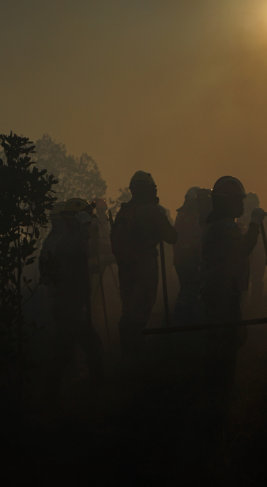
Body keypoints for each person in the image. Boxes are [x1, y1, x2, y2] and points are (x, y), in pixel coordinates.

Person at [202, 176, 266, 411]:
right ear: (227, 202)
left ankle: (215, 392)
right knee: (227, 340)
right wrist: (256, 225)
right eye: (239, 200)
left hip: (218, 287)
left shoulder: (215, 223)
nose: (242, 205)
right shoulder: (224, 225)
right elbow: (243, 249)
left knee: (223, 337)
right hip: (222, 290)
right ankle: (220, 395)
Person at [40, 198, 104, 402]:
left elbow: (72, 262)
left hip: (72, 303)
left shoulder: (61, 238)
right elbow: (76, 247)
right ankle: (51, 399)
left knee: (92, 347)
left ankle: (96, 391)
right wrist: (85, 225)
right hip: (68, 305)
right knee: (64, 353)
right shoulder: (60, 240)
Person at [110, 171, 178, 359]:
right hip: (145, 264)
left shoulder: (123, 212)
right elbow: (172, 237)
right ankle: (136, 357)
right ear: (148, 190)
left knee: (128, 309)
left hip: (126, 266)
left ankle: (125, 355)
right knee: (141, 310)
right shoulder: (152, 211)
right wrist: (162, 218)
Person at [172, 187, 212, 325]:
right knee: (189, 290)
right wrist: (197, 260)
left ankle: (183, 321)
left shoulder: (192, 215)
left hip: (189, 260)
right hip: (187, 261)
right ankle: (181, 322)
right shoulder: (186, 217)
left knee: (190, 290)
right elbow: (187, 242)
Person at [238, 192, 267, 313]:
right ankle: (246, 308)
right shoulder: (242, 217)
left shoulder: (258, 218)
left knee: (255, 280)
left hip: (257, 253)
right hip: (248, 253)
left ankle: (254, 308)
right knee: (244, 281)